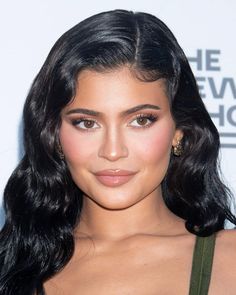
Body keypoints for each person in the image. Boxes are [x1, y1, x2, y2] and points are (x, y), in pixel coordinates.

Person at [0, 9, 236, 295]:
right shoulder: (11, 266)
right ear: (54, 136)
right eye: (86, 123)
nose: (113, 151)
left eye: (141, 120)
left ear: (180, 131)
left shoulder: (229, 259)